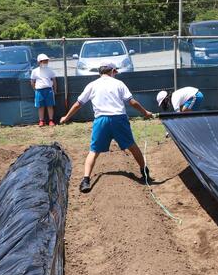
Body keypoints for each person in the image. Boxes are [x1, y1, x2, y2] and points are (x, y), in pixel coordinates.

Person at [60, 63, 154, 193]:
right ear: (113, 71)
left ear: (100, 72)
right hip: (118, 119)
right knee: (132, 146)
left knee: (94, 151)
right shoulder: (119, 83)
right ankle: (145, 172)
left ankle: (86, 180)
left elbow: (78, 104)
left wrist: (66, 117)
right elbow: (131, 102)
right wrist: (145, 112)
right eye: (115, 72)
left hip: (101, 120)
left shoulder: (92, 85)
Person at [31, 54, 57, 126]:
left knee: (50, 105)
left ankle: (51, 120)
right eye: (44, 61)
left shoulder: (50, 70)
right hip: (39, 91)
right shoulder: (34, 71)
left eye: (47, 61)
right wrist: (35, 90)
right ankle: (41, 121)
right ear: (39, 62)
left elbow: (54, 80)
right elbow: (32, 81)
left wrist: (55, 90)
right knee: (40, 106)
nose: (46, 62)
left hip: (49, 90)